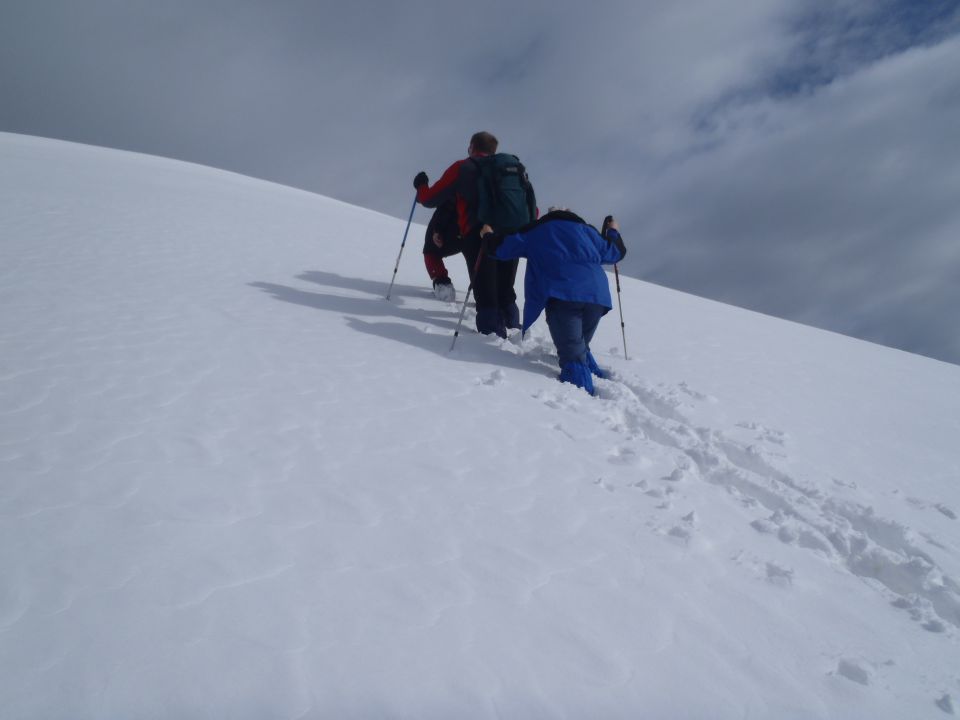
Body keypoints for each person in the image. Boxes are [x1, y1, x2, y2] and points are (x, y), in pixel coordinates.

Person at [481, 209, 627, 396]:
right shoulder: (587, 232)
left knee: (573, 359)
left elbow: (501, 249)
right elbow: (615, 252)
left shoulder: (537, 232)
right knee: (578, 345)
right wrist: (612, 231)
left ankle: (582, 407)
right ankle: (589, 372)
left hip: (564, 296)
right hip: (597, 298)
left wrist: (487, 235)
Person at [413, 131, 528, 337]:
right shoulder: (509, 169)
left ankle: (491, 338)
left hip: (477, 234)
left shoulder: (463, 167)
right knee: (505, 289)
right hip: (511, 234)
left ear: (472, 147)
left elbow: (430, 199)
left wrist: (421, 185)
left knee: (485, 291)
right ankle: (513, 328)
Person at [422, 199, 464, 302]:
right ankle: (491, 291)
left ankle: (443, 285)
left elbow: (429, 197)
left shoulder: (455, 184)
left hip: (454, 227)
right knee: (482, 254)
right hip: (481, 226)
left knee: (430, 251)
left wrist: (420, 185)